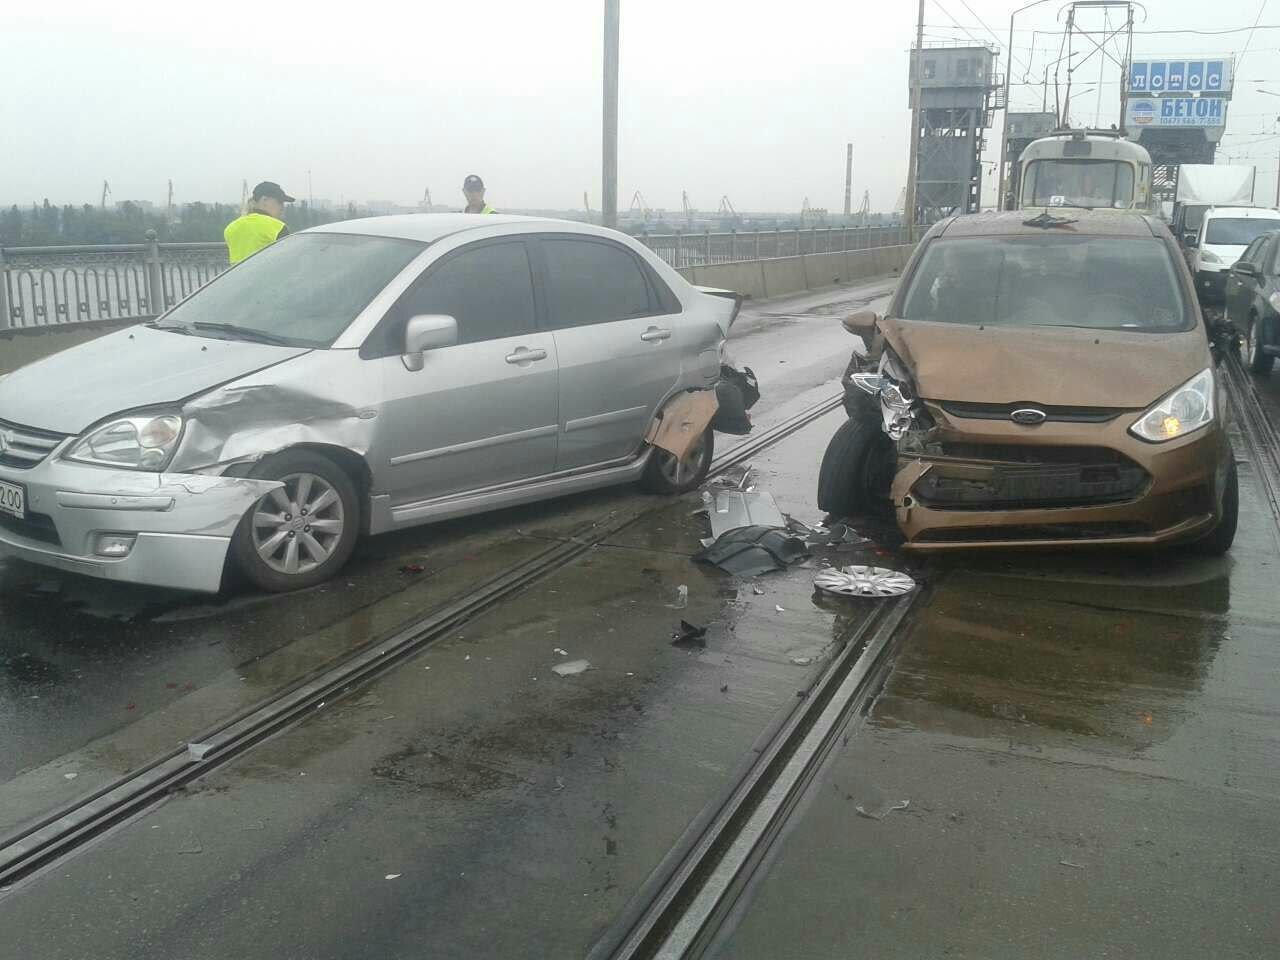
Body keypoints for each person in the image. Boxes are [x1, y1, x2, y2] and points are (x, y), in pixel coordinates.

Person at [224, 181, 295, 264]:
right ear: (264, 200)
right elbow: (287, 261)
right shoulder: (277, 227)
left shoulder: (230, 228)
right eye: (280, 202)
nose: (282, 207)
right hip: (268, 275)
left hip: (238, 276)